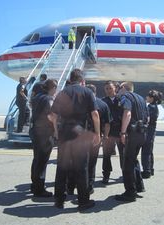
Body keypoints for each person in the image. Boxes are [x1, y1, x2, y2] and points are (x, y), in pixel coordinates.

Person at [50, 68, 100, 211]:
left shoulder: (62, 92)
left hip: (64, 133)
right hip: (80, 133)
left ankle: (59, 200)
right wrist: (97, 133)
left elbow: (52, 116)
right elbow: (95, 114)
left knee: (62, 167)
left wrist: (56, 132)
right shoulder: (87, 92)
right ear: (82, 80)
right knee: (82, 167)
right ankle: (83, 201)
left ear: (71, 79)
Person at [115, 81, 148, 202]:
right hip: (142, 133)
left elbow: (127, 113)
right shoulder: (141, 98)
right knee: (133, 160)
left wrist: (123, 132)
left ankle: (130, 192)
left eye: (119, 88)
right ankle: (139, 186)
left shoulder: (126, 96)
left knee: (127, 163)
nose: (118, 90)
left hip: (131, 133)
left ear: (123, 88)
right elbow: (147, 117)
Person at [29, 79, 57, 197]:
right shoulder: (48, 99)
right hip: (45, 133)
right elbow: (52, 116)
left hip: (35, 131)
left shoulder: (36, 98)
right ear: (53, 88)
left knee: (36, 158)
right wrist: (56, 131)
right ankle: (39, 189)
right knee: (42, 161)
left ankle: (34, 184)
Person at [86, 84, 112, 194]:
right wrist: (105, 136)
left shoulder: (80, 103)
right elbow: (107, 123)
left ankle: (72, 185)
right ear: (95, 92)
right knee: (92, 162)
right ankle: (90, 185)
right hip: (95, 136)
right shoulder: (103, 104)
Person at [101, 80, 124, 184]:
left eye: (110, 88)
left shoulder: (122, 100)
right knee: (106, 155)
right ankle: (106, 175)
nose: (108, 90)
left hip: (119, 131)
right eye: (106, 89)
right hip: (108, 132)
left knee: (123, 154)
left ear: (115, 88)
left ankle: (125, 173)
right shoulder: (103, 101)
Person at [141, 90, 163, 179]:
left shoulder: (150, 107)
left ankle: (146, 171)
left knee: (145, 151)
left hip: (149, 130)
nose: (146, 97)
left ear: (152, 98)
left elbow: (147, 119)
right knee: (149, 151)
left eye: (148, 96)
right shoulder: (155, 107)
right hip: (152, 130)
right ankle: (150, 169)